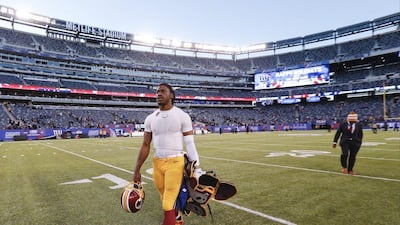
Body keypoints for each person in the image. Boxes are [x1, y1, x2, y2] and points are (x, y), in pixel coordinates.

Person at [132, 83, 201, 225]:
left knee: (167, 204)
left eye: (162, 91)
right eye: (157, 92)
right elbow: (145, 145)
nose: (158, 94)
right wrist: (137, 170)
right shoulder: (151, 118)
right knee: (165, 198)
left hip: (175, 162)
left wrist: (197, 169)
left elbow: (190, 144)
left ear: (171, 95)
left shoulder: (182, 116)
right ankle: (178, 220)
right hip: (157, 163)